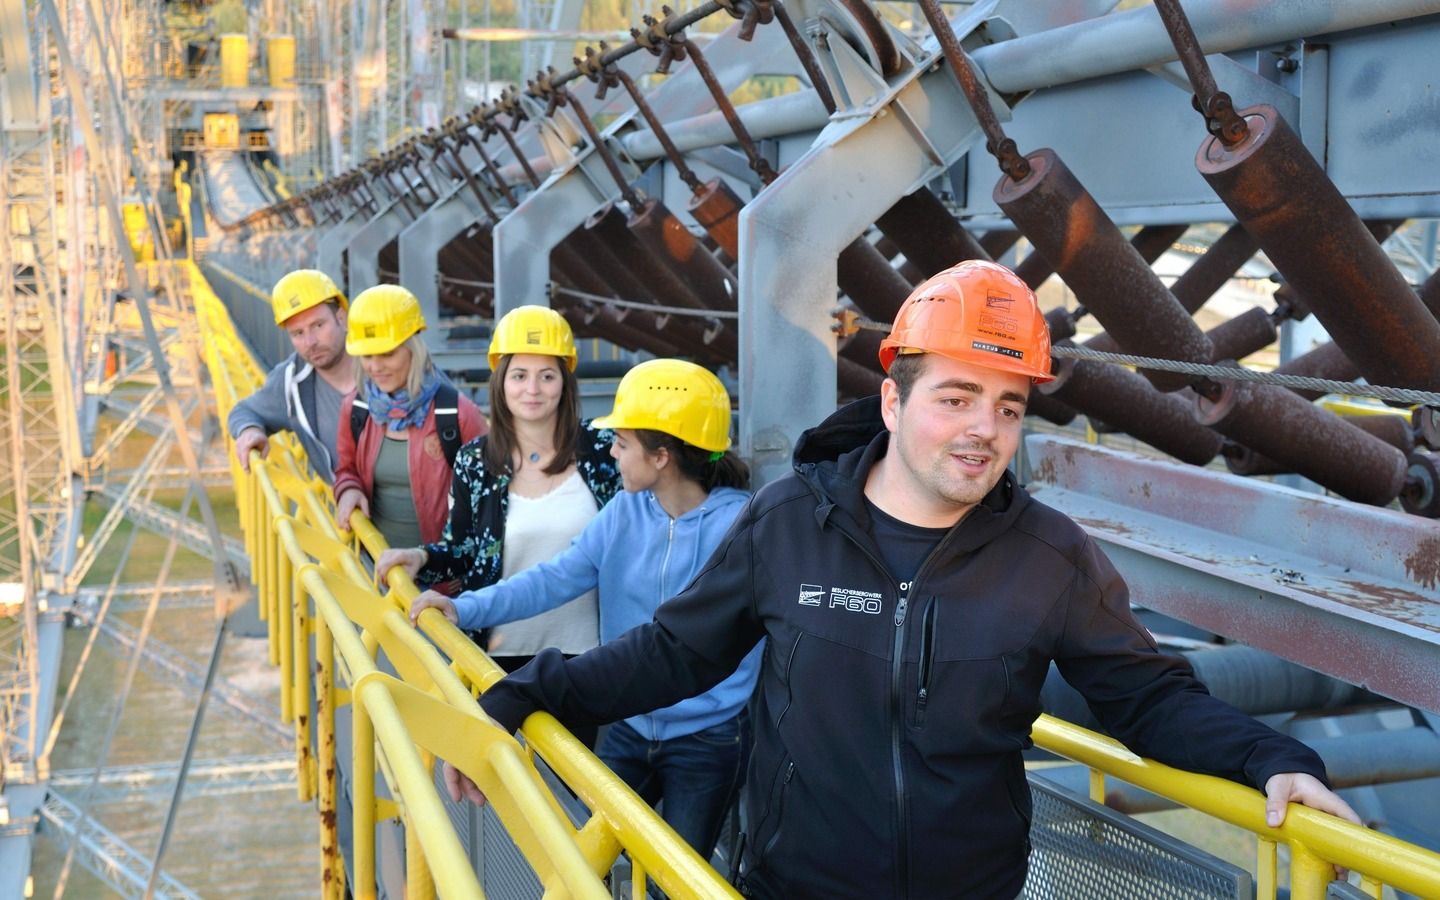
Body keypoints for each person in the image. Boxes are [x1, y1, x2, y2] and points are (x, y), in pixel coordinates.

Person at [442, 260, 1363, 899]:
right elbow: (674, 654)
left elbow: (1148, 698)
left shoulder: (1050, 556)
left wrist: (1273, 757)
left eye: (1007, 407)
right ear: (892, 401)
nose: (984, 431)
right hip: (792, 888)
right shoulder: (792, 521)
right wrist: (523, 693)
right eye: (955, 398)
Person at [410, 358, 762, 866]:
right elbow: (555, 577)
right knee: (581, 865)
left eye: (621, 442)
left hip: (708, 739)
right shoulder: (623, 510)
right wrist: (463, 609)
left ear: (661, 456)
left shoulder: (739, 526)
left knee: (681, 875)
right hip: (627, 722)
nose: (611, 452)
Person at [377, 305, 622, 671]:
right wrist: (421, 558)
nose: (532, 390)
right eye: (519, 375)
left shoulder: (605, 450)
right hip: (497, 656)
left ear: (565, 382)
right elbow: (463, 550)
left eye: (547, 376)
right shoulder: (475, 462)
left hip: (588, 656)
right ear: (501, 382)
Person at [333, 284, 485, 549]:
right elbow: (347, 469)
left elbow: (489, 497)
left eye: (388, 354)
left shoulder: (457, 415)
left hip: (442, 583)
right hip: (376, 571)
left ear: (414, 349)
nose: (375, 366)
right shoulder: (356, 409)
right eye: (367, 356)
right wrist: (348, 490)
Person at [228, 269, 354, 483]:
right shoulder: (291, 381)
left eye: (318, 325)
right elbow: (244, 411)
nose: (310, 342)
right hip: (348, 513)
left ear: (341, 317)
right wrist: (250, 431)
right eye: (298, 333)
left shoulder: (382, 364)